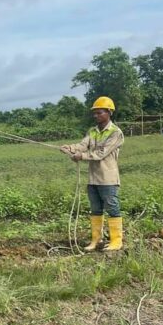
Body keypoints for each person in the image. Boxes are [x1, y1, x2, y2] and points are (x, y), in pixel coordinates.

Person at [61, 96, 124, 252]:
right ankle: (96, 240)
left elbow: (101, 153)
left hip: (108, 178)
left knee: (112, 207)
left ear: (109, 112)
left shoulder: (116, 133)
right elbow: (83, 145)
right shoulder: (93, 131)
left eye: (99, 113)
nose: (96, 116)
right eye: (94, 113)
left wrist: (80, 156)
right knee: (95, 209)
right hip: (93, 178)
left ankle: (116, 241)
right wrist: (70, 148)